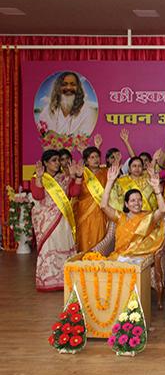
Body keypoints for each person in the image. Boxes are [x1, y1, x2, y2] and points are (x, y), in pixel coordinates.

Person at [31, 150, 83, 291]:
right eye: (54, 160)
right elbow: (37, 196)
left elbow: (74, 193)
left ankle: (64, 280)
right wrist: (39, 179)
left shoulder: (64, 177)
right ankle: (48, 281)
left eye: (58, 160)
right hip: (45, 220)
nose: (57, 163)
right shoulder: (39, 177)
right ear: (45, 163)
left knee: (63, 246)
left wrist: (77, 177)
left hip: (62, 219)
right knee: (49, 248)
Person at [100, 162, 165, 257]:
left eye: (139, 200)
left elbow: (162, 210)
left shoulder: (147, 217)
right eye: (133, 200)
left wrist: (156, 189)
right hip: (120, 257)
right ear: (126, 204)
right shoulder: (120, 217)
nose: (137, 203)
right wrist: (110, 181)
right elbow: (103, 206)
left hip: (139, 258)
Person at [37, 71, 98, 136]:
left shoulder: (88, 112)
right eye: (64, 84)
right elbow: (41, 133)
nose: (68, 88)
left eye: (73, 84)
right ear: (58, 88)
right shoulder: (48, 110)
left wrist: (56, 136)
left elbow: (86, 140)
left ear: (78, 88)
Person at [74, 146, 108, 252]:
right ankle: (84, 264)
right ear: (86, 160)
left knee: (100, 237)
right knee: (84, 237)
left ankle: (98, 264)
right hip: (84, 211)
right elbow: (75, 192)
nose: (95, 159)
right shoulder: (81, 174)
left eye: (97, 156)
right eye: (92, 157)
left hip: (100, 212)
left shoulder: (106, 173)